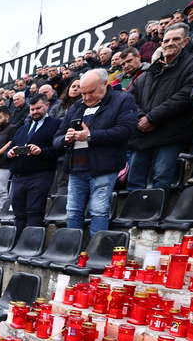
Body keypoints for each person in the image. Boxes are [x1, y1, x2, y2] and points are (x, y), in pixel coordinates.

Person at [127, 23, 193, 197]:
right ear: (161, 43)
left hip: (170, 134)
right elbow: (129, 100)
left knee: (161, 179)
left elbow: (186, 95)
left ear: (186, 41)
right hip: (141, 135)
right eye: (166, 40)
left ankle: (151, 218)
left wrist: (152, 118)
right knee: (134, 182)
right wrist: (142, 117)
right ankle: (133, 218)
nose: (170, 43)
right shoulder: (146, 74)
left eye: (176, 39)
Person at [53, 69, 138, 235]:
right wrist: (66, 139)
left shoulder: (123, 99)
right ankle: (71, 252)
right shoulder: (76, 107)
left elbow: (125, 130)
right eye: (83, 93)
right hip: (76, 169)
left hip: (103, 168)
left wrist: (90, 136)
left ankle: (96, 255)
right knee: (73, 211)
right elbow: (56, 138)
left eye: (91, 92)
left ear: (105, 84)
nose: (86, 97)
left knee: (99, 211)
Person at [7, 94, 63, 238]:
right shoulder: (22, 129)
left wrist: (41, 151)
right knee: (19, 215)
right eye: (32, 109)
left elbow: (60, 149)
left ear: (47, 105)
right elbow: (8, 151)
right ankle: (19, 246)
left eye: (38, 108)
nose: (35, 112)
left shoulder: (56, 124)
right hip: (18, 178)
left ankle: (30, 246)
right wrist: (10, 154)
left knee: (34, 212)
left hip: (40, 176)